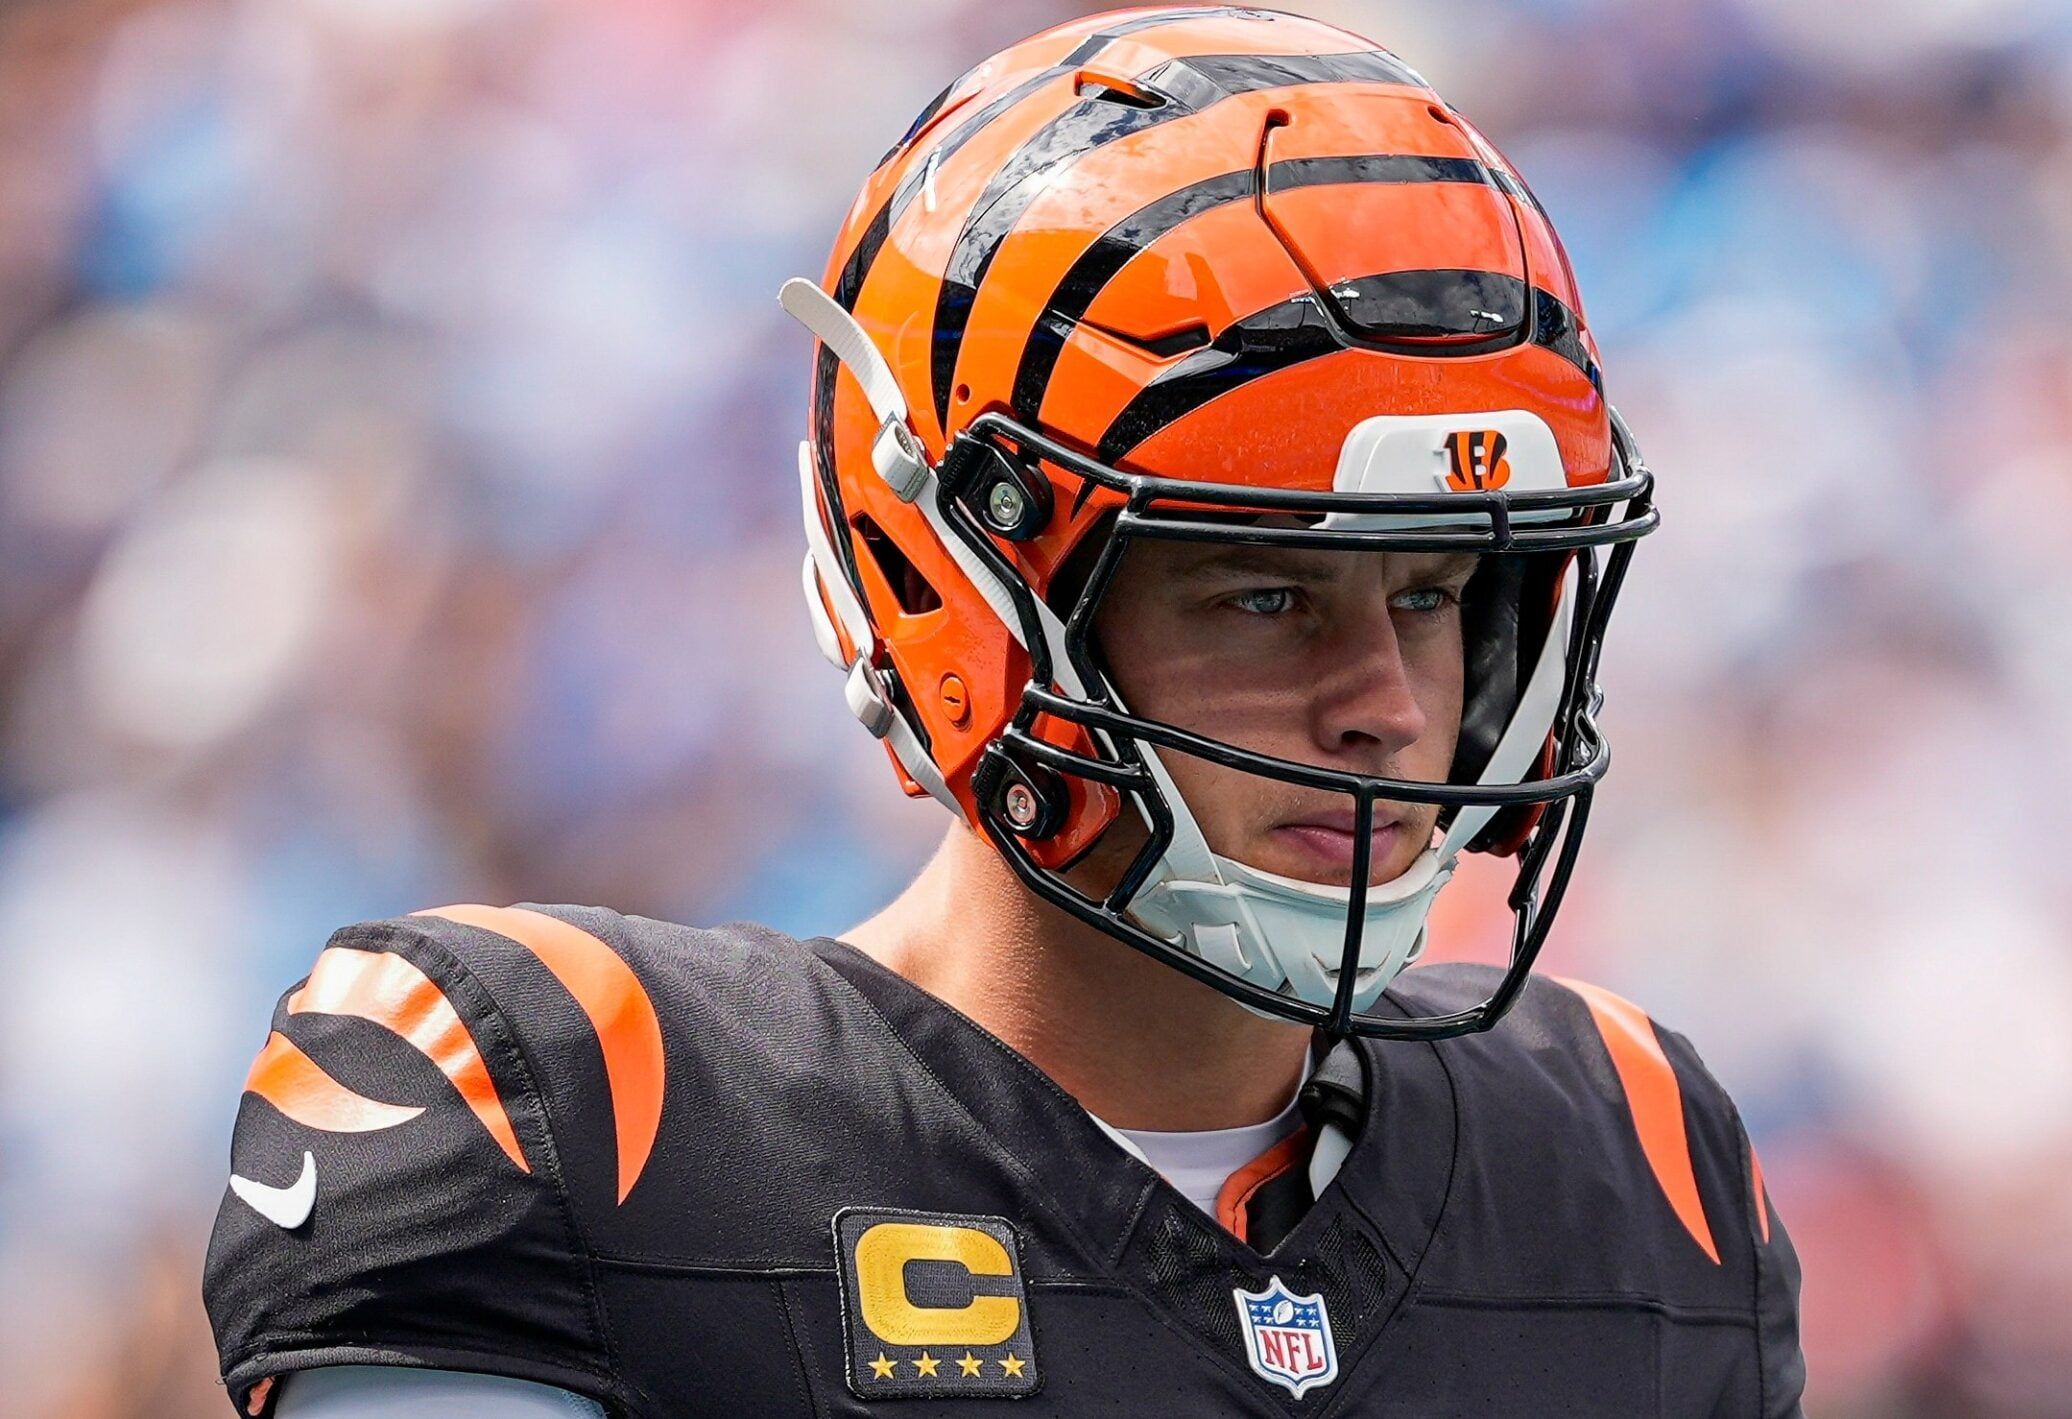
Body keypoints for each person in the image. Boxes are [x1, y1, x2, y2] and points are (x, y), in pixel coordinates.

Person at [202, 9, 1805, 1416]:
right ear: (968, 593)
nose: (1385, 707)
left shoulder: (1634, 1163)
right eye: (1264, 596)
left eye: (1436, 597)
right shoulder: (579, 1117)